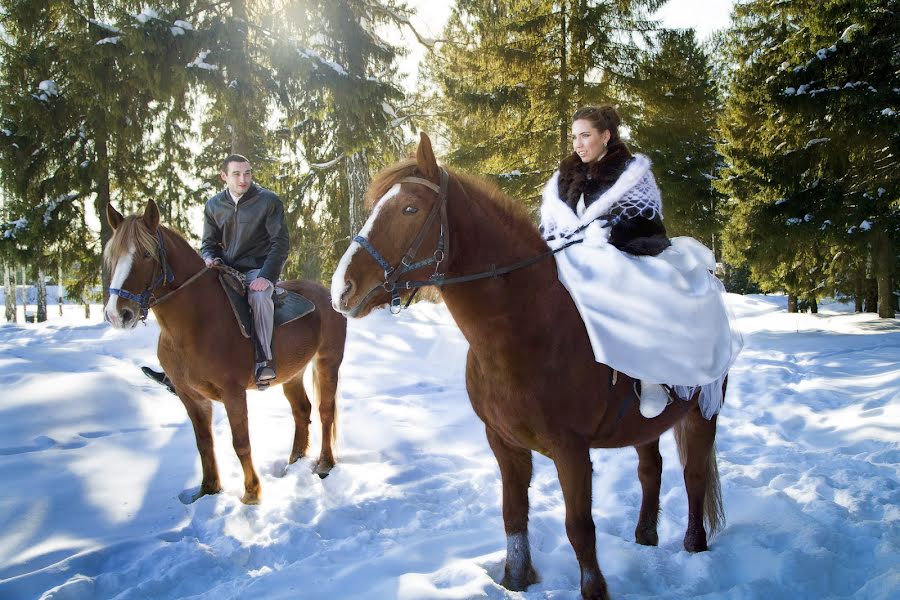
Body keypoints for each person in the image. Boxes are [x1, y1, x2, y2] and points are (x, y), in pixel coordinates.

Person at [541, 105, 741, 419]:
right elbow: (552, 225)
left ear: (605, 136)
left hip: (626, 248)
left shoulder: (632, 172)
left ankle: (651, 376)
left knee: (626, 279)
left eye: (585, 136)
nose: (578, 144)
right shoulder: (564, 177)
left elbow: (643, 219)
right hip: (573, 252)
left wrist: (605, 235)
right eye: (574, 137)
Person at [144, 154, 290, 390]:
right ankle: (177, 369)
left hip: (257, 270)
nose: (243, 179)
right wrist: (209, 258)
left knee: (260, 298)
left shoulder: (269, 202)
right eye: (236, 174)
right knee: (187, 298)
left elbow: (280, 244)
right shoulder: (213, 205)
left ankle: (264, 360)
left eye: (247, 173)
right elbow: (208, 243)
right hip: (223, 268)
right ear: (224, 176)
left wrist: (266, 276)